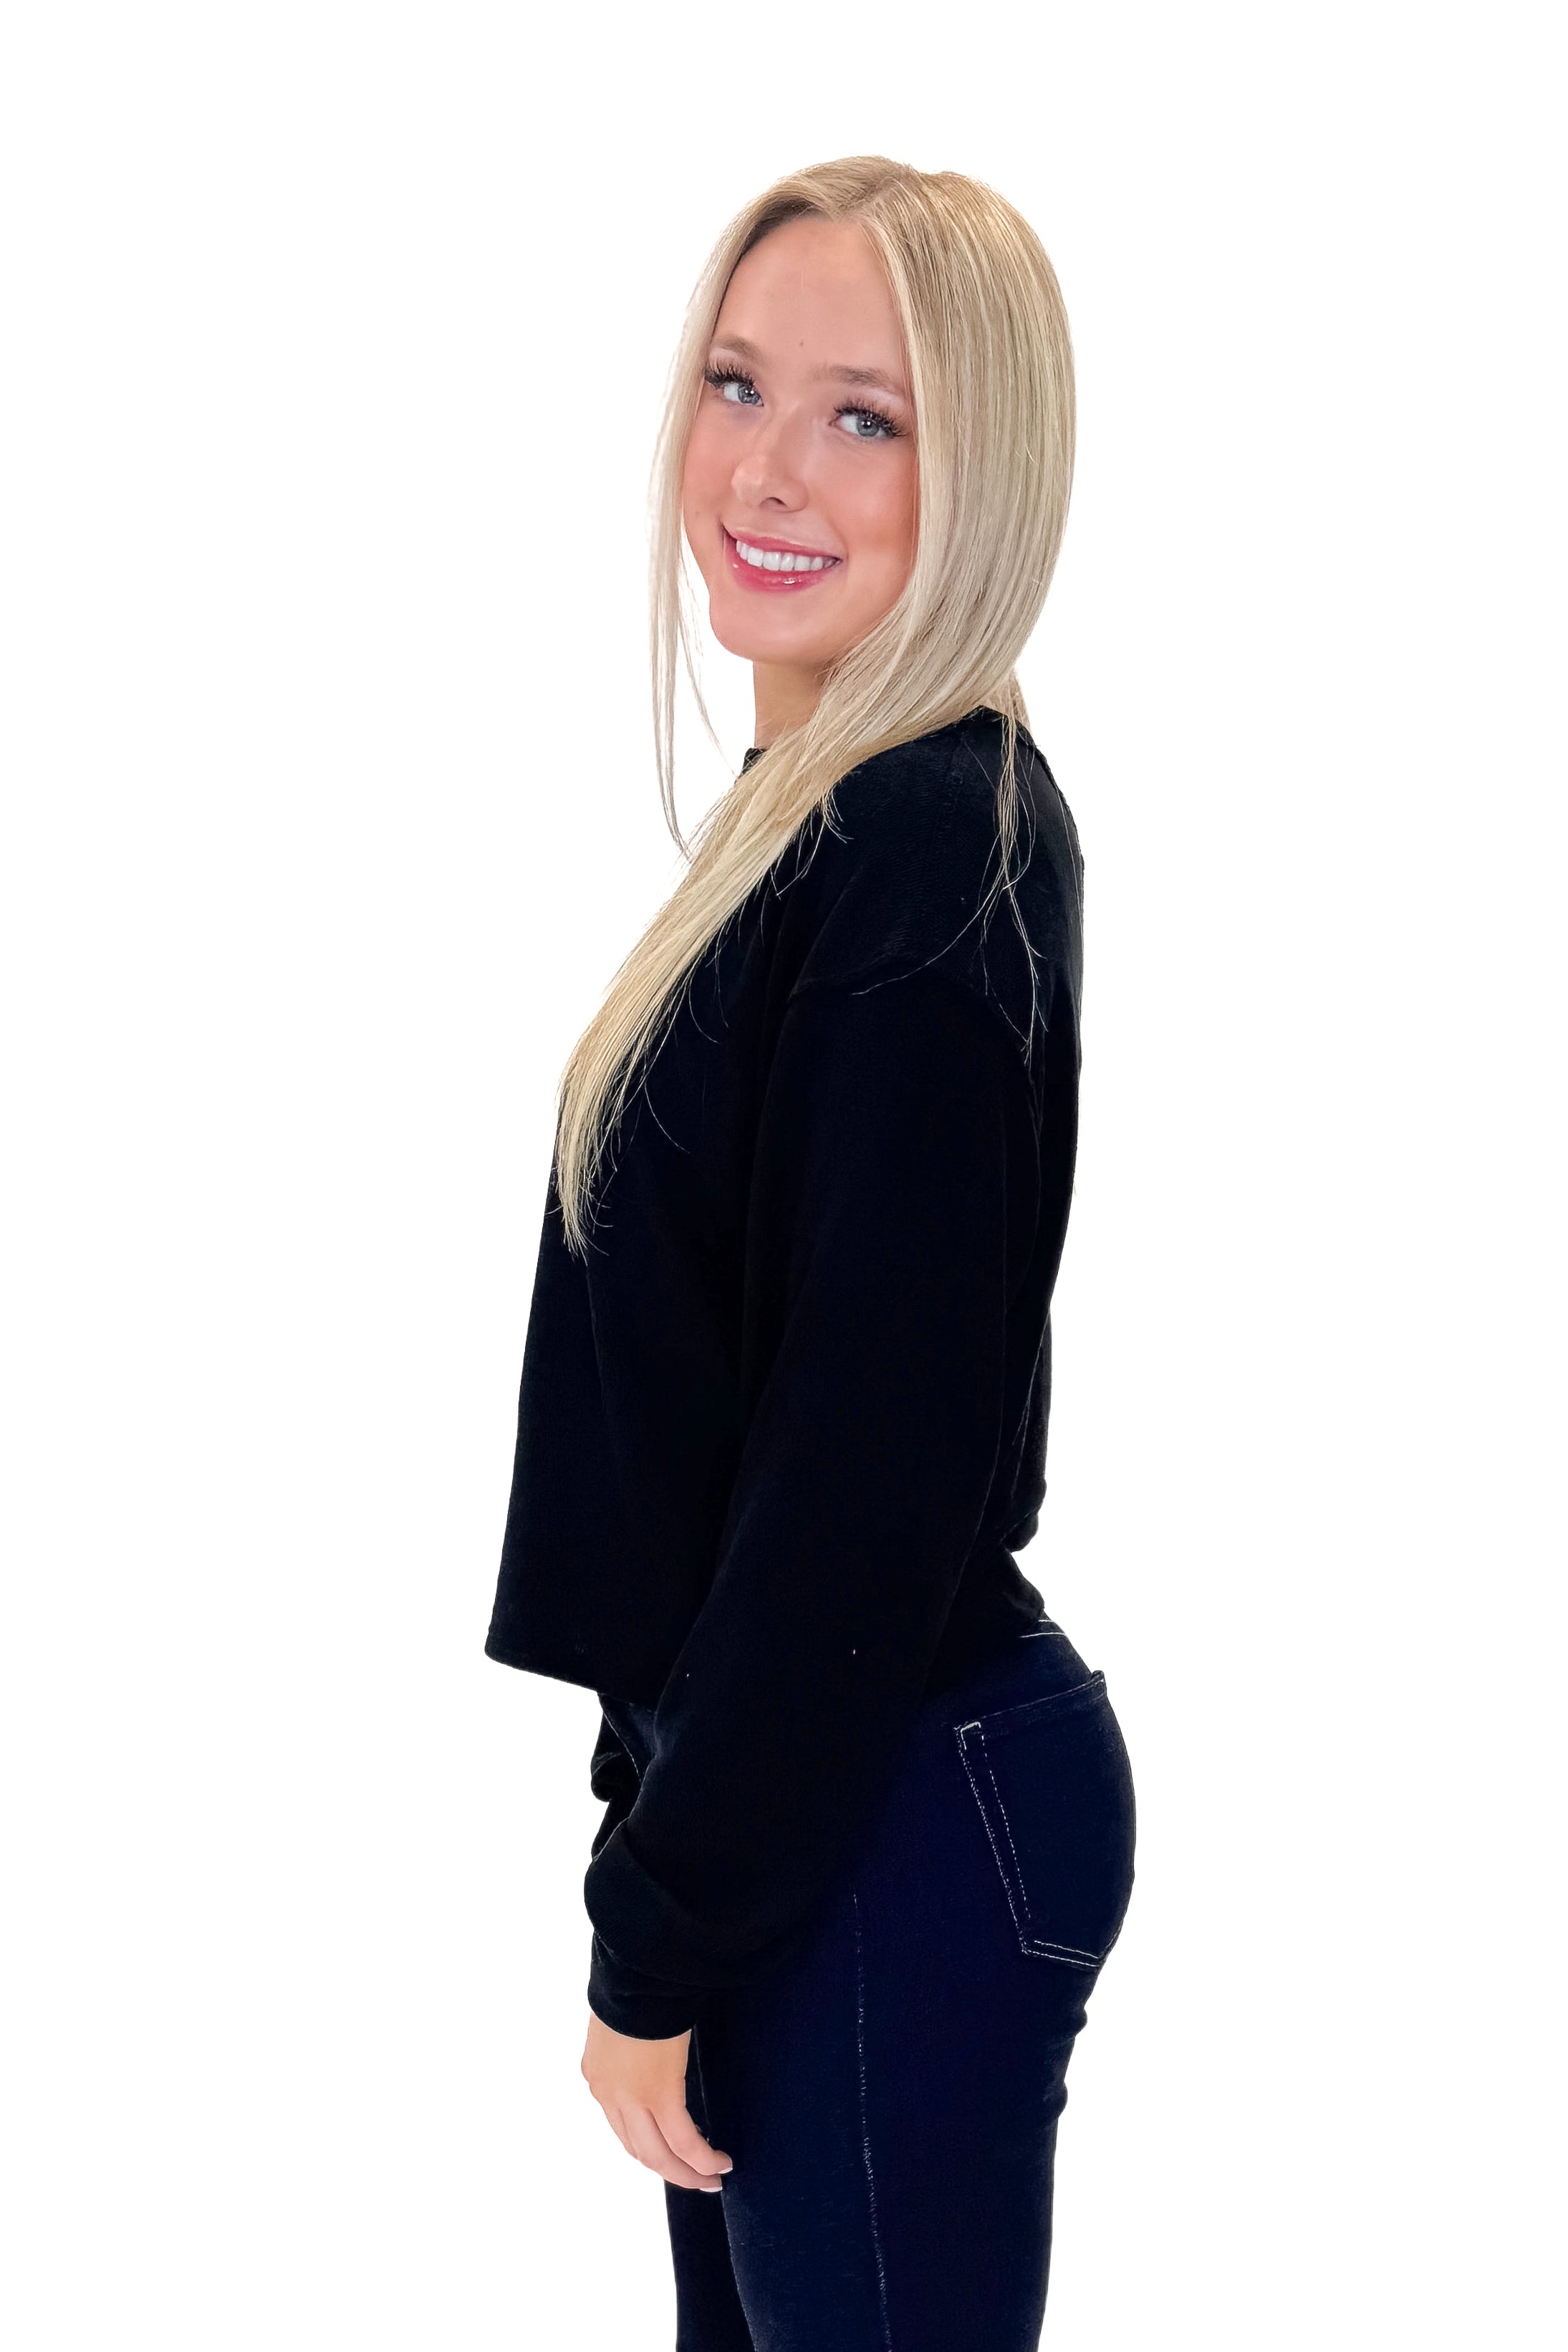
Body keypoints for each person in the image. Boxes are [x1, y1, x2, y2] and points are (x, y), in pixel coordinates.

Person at [484, 154, 1137, 2351]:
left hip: (884, 1812)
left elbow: (862, 1469)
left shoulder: (926, 843)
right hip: (819, 1804)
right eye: (739, 381)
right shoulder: (827, 826)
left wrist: (667, 1925)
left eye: (869, 415)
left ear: (988, 469)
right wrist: (660, 1841)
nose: (769, 467)